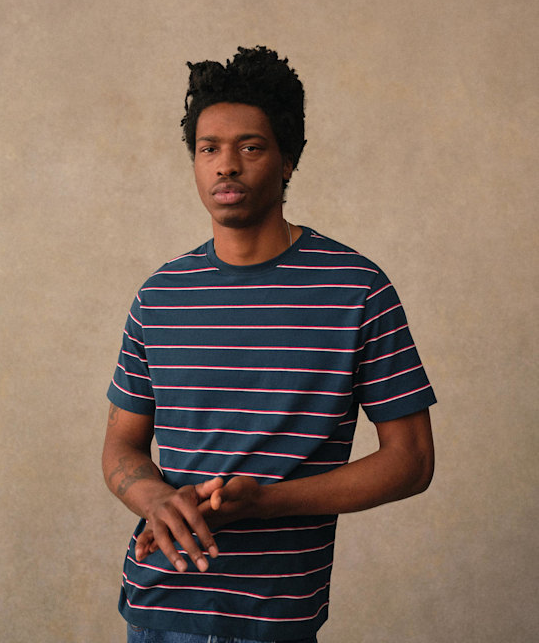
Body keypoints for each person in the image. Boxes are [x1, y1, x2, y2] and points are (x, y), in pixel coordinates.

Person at [102, 46, 436, 643]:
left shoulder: (357, 289)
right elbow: (121, 446)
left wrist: (267, 502)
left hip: (275, 619)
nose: (226, 165)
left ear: (288, 161)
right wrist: (154, 498)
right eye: (209, 149)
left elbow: (411, 461)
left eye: (250, 147)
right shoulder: (160, 294)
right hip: (156, 612)